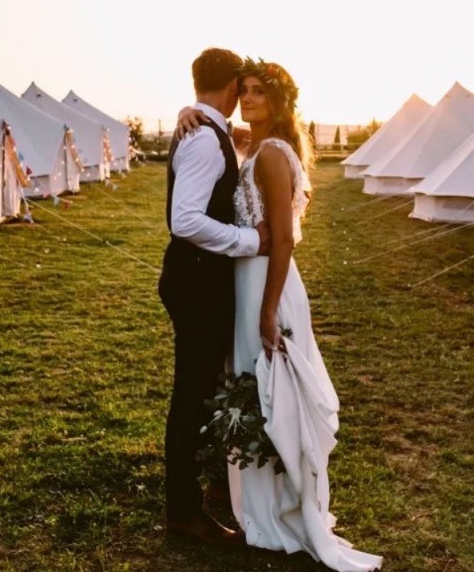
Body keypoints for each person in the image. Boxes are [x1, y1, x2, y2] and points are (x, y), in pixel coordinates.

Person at [225, 59, 383, 570]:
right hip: (249, 282)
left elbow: (285, 239)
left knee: (275, 391)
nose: (247, 100)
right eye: (243, 92)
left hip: (267, 287)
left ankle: (283, 506)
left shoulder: (271, 153)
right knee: (259, 387)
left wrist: (268, 311)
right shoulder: (256, 145)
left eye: (257, 93)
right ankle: (266, 501)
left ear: (278, 101)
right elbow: (219, 126)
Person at [158, 47, 270, 547]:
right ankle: (183, 511)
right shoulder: (204, 140)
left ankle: (204, 488)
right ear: (230, 88)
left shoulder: (207, 130)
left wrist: (196, 111)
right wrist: (250, 242)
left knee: (202, 391)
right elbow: (183, 221)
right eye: (241, 89)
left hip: (200, 280)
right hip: (197, 282)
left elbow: (245, 137)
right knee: (192, 397)